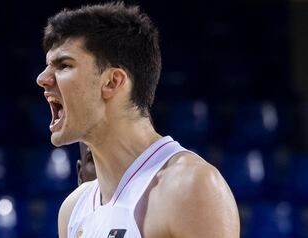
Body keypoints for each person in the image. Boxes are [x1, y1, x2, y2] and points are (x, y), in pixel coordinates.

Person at [36, 2, 240, 237]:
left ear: (112, 82)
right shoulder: (73, 209)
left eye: (63, 65)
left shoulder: (189, 186)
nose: (43, 78)